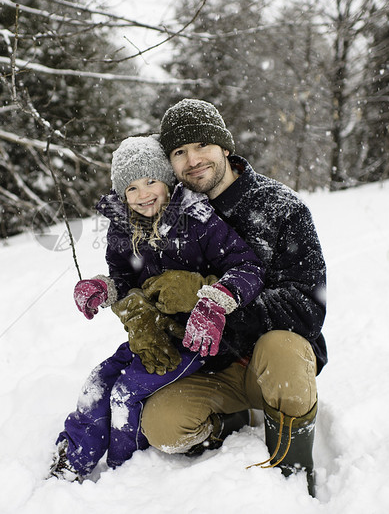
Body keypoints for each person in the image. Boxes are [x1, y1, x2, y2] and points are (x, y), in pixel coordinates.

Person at [134, 99, 327, 497]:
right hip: (208, 368)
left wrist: (210, 298)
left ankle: (291, 472)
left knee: (285, 346)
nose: (193, 160)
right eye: (179, 152)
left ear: (225, 146)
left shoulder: (281, 209)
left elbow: (306, 309)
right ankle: (232, 420)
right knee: (161, 427)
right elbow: (142, 287)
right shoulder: (165, 216)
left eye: (202, 145)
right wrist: (140, 318)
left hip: (268, 364)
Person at [48, 135, 266, 482]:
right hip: (153, 333)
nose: (143, 194)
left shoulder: (197, 219)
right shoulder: (123, 228)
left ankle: (127, 470)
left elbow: (248, 266)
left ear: (168, 180)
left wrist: (214, 300)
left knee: (126, 393)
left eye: (151, 181)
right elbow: (124, 278)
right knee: (100, 380)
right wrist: (103, 288)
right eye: (131, 188)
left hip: (197, 340)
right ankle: (73, 459)